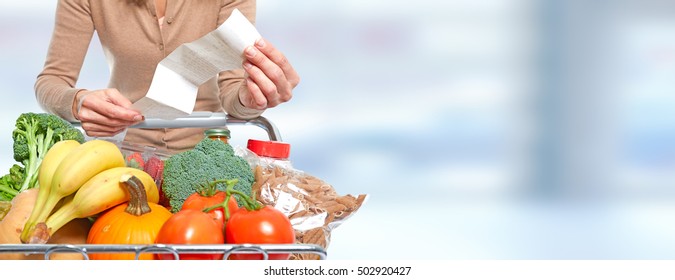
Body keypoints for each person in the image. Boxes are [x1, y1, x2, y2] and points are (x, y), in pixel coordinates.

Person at [35, 0, 299, 153]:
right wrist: (79, 101)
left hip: (204, 154)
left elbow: (232, 89)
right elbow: (51, 80)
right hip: (121, 155)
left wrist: (249, 98)